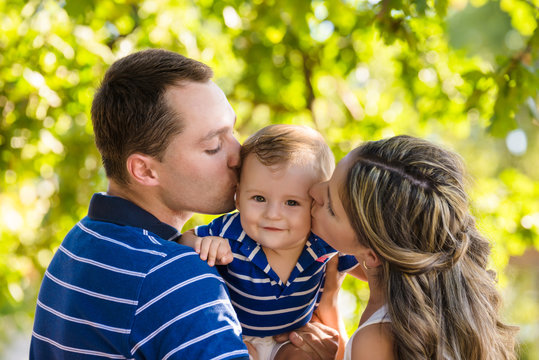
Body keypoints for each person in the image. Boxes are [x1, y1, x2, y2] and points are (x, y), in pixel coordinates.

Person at [30, 49, 338, 359]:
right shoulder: (176, 276)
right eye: (213, 146)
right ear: (146, 170)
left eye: (232, 131)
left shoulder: (76, 245)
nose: (238, 155)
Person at [309, 135, 519, 360]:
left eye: (331, 207)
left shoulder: (378, 340)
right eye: (330, 180)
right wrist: (329, 303)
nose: (314, 191)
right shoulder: (430, 315)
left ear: (371, 256)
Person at [180, 124, 362, 360]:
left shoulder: (324, 242)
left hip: (291, 340)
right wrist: (199, 244)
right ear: (238, 197)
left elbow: (376, 269)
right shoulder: (230, 233)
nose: (273, 214)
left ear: (315, 202)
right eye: (259, 198)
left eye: (292, 203)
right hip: (238, 337)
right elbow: (184, 240)